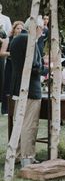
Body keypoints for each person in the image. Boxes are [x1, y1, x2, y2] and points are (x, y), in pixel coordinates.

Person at [9, 17, 43, 167]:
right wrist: (45, 68)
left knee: (18, 122)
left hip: (17, 86)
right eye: (42, 29)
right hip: (31, 88)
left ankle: (15, 155)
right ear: (36, 28)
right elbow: (34, 66)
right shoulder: (30, 40)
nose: (42, 33)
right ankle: (27, 158)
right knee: (29, 124)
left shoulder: (16, 39)